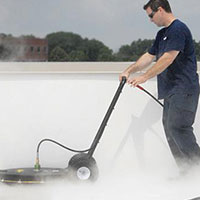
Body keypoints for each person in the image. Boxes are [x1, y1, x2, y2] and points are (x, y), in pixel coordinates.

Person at [119, 0, 200, 172]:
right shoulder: (162, 34)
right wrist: (129, 70)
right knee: (170, 130)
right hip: (171, 91)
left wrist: (146, 76)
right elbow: (149, 57)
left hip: (183, 89)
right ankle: (187, 173)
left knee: (178, 128)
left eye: (151, 15)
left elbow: (168, 58)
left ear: (160, 10)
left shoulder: (178, 29)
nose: (150, 20)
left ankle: (196, 172)